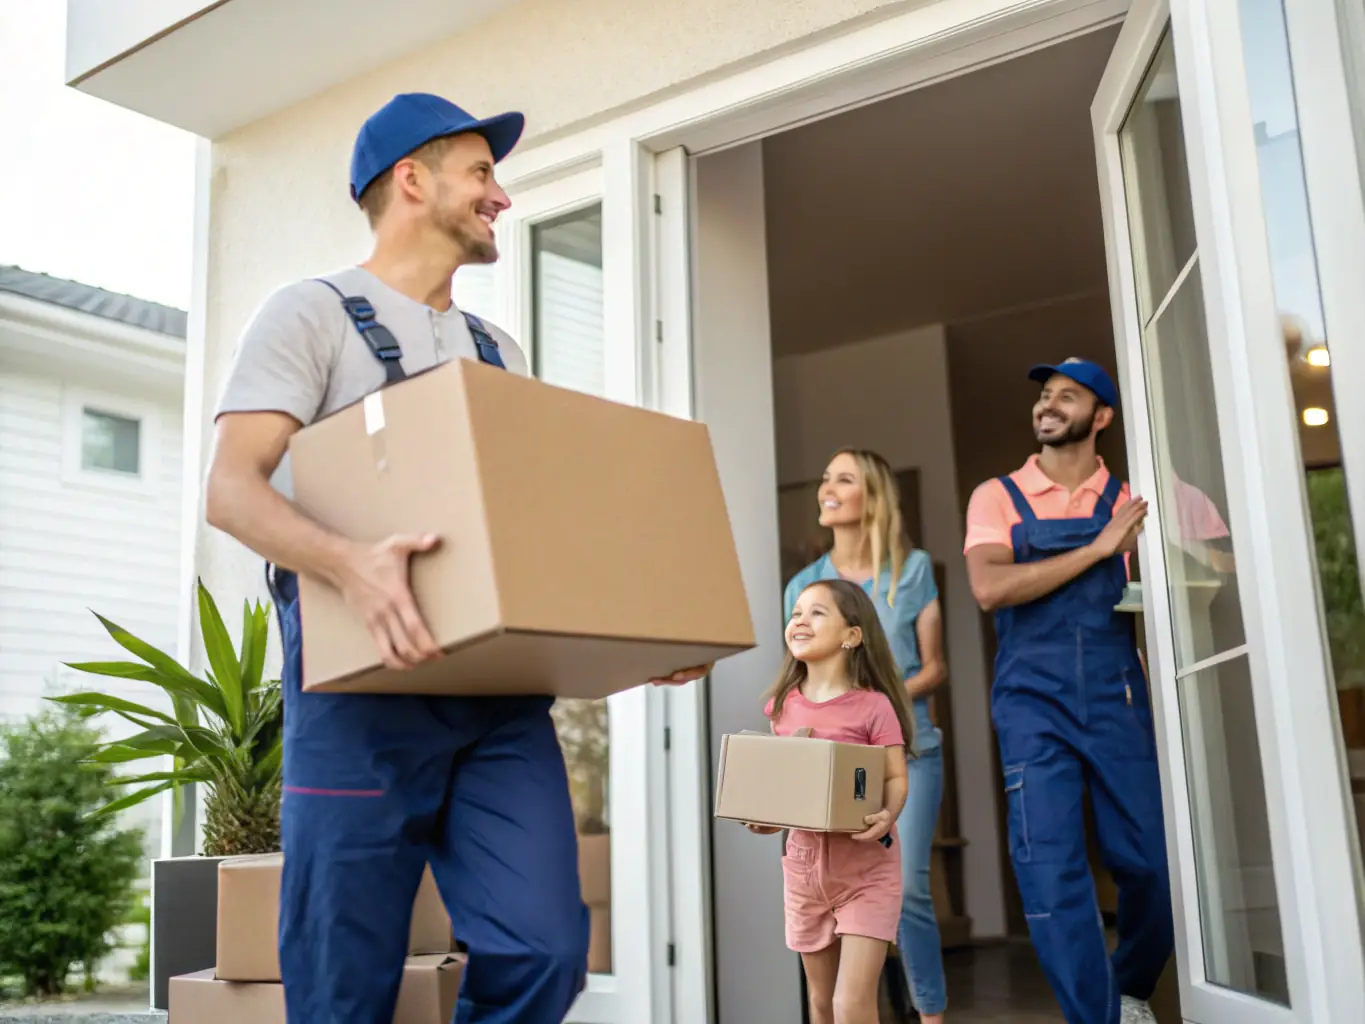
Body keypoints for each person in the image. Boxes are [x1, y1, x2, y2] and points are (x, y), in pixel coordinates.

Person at [204, 92, 707, 1023]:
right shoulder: (309, 316)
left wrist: (640, 638)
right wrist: (351, 563)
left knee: (546, 951)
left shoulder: (497, 352)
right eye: (481, 172)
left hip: (495, 711)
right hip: (357, 699)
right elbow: (231, 488)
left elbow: (534, 536)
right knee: (340, 982)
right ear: (410, 180)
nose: (501, 196)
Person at [963, 358, 1170, 1024]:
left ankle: (1129, 983)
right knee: (1049, 869)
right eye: (1043, 395)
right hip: (1030, 701)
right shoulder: (996, 496)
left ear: (1100, 416)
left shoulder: (1136, 500)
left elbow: (1219, 559)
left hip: (1116, 693)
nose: (1047, 404)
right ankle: (1097, 1017)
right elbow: (990, 587)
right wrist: (1099, 549)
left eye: (1067, 395)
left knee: (1154, 863)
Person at [785, 448, 949, 1022]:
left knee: (910, 890)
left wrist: (874, 708)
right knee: (825, 884)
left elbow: (934, 667)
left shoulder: (914, 570)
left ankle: (930, 1015)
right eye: (824, 477)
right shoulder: (804, 585)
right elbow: (801, 672)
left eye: (844, 478)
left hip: (909, 751)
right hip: (830, 768)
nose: (827, 487)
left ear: (871, 497)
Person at [746, 579, 914, 1024]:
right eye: (796, 612)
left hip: (867, 871)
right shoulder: (782, 707)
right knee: (821, 1005)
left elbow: (896, 776)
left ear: (851, 635)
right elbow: (782, 788)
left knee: (850, 1005)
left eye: (817, 612)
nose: (800, 619)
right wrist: (767, 818)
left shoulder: (874, 707)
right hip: (804, 872)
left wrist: (888, 812)